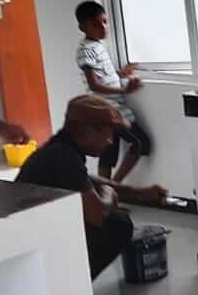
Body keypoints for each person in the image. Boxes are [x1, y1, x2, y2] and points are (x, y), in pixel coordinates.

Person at [16, 96, 167, 280]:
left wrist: (139, 193)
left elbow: (87, 180)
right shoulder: (64, 156)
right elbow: (97, 214)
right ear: (87, 132)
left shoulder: (60, 149)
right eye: (108, 134)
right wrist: (109, 195)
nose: (110, 142)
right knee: (118, 225)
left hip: (38, 228)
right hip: (32, 239)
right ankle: (75, 287)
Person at [75, 0, 152, 183]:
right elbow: (93, 85)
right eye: (96, 24)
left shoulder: (97, 46)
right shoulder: (85, 50)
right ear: (82, 27)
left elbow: (103, 75)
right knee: (140, 143)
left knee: (108, 151)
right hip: (107, 108)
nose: (103, 27)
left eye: (104, 22)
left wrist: (121, 73)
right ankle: (114, 186)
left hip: (110, 107)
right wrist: (124, 90)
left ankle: (106, 190)